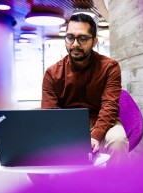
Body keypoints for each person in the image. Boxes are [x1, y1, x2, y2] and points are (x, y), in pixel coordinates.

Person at [41, 13, 129, 166]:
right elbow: (50, 114)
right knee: (36, 150)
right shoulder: (52, 73)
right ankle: (56, 189)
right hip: (67, 125)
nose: (75, 44)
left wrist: (96, 135)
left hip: (101, 121)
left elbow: (110, 106)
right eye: (70, 37)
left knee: (118, 140)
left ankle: (116, 187)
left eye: (82, 38)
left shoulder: (110, 67)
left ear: (94, 41)